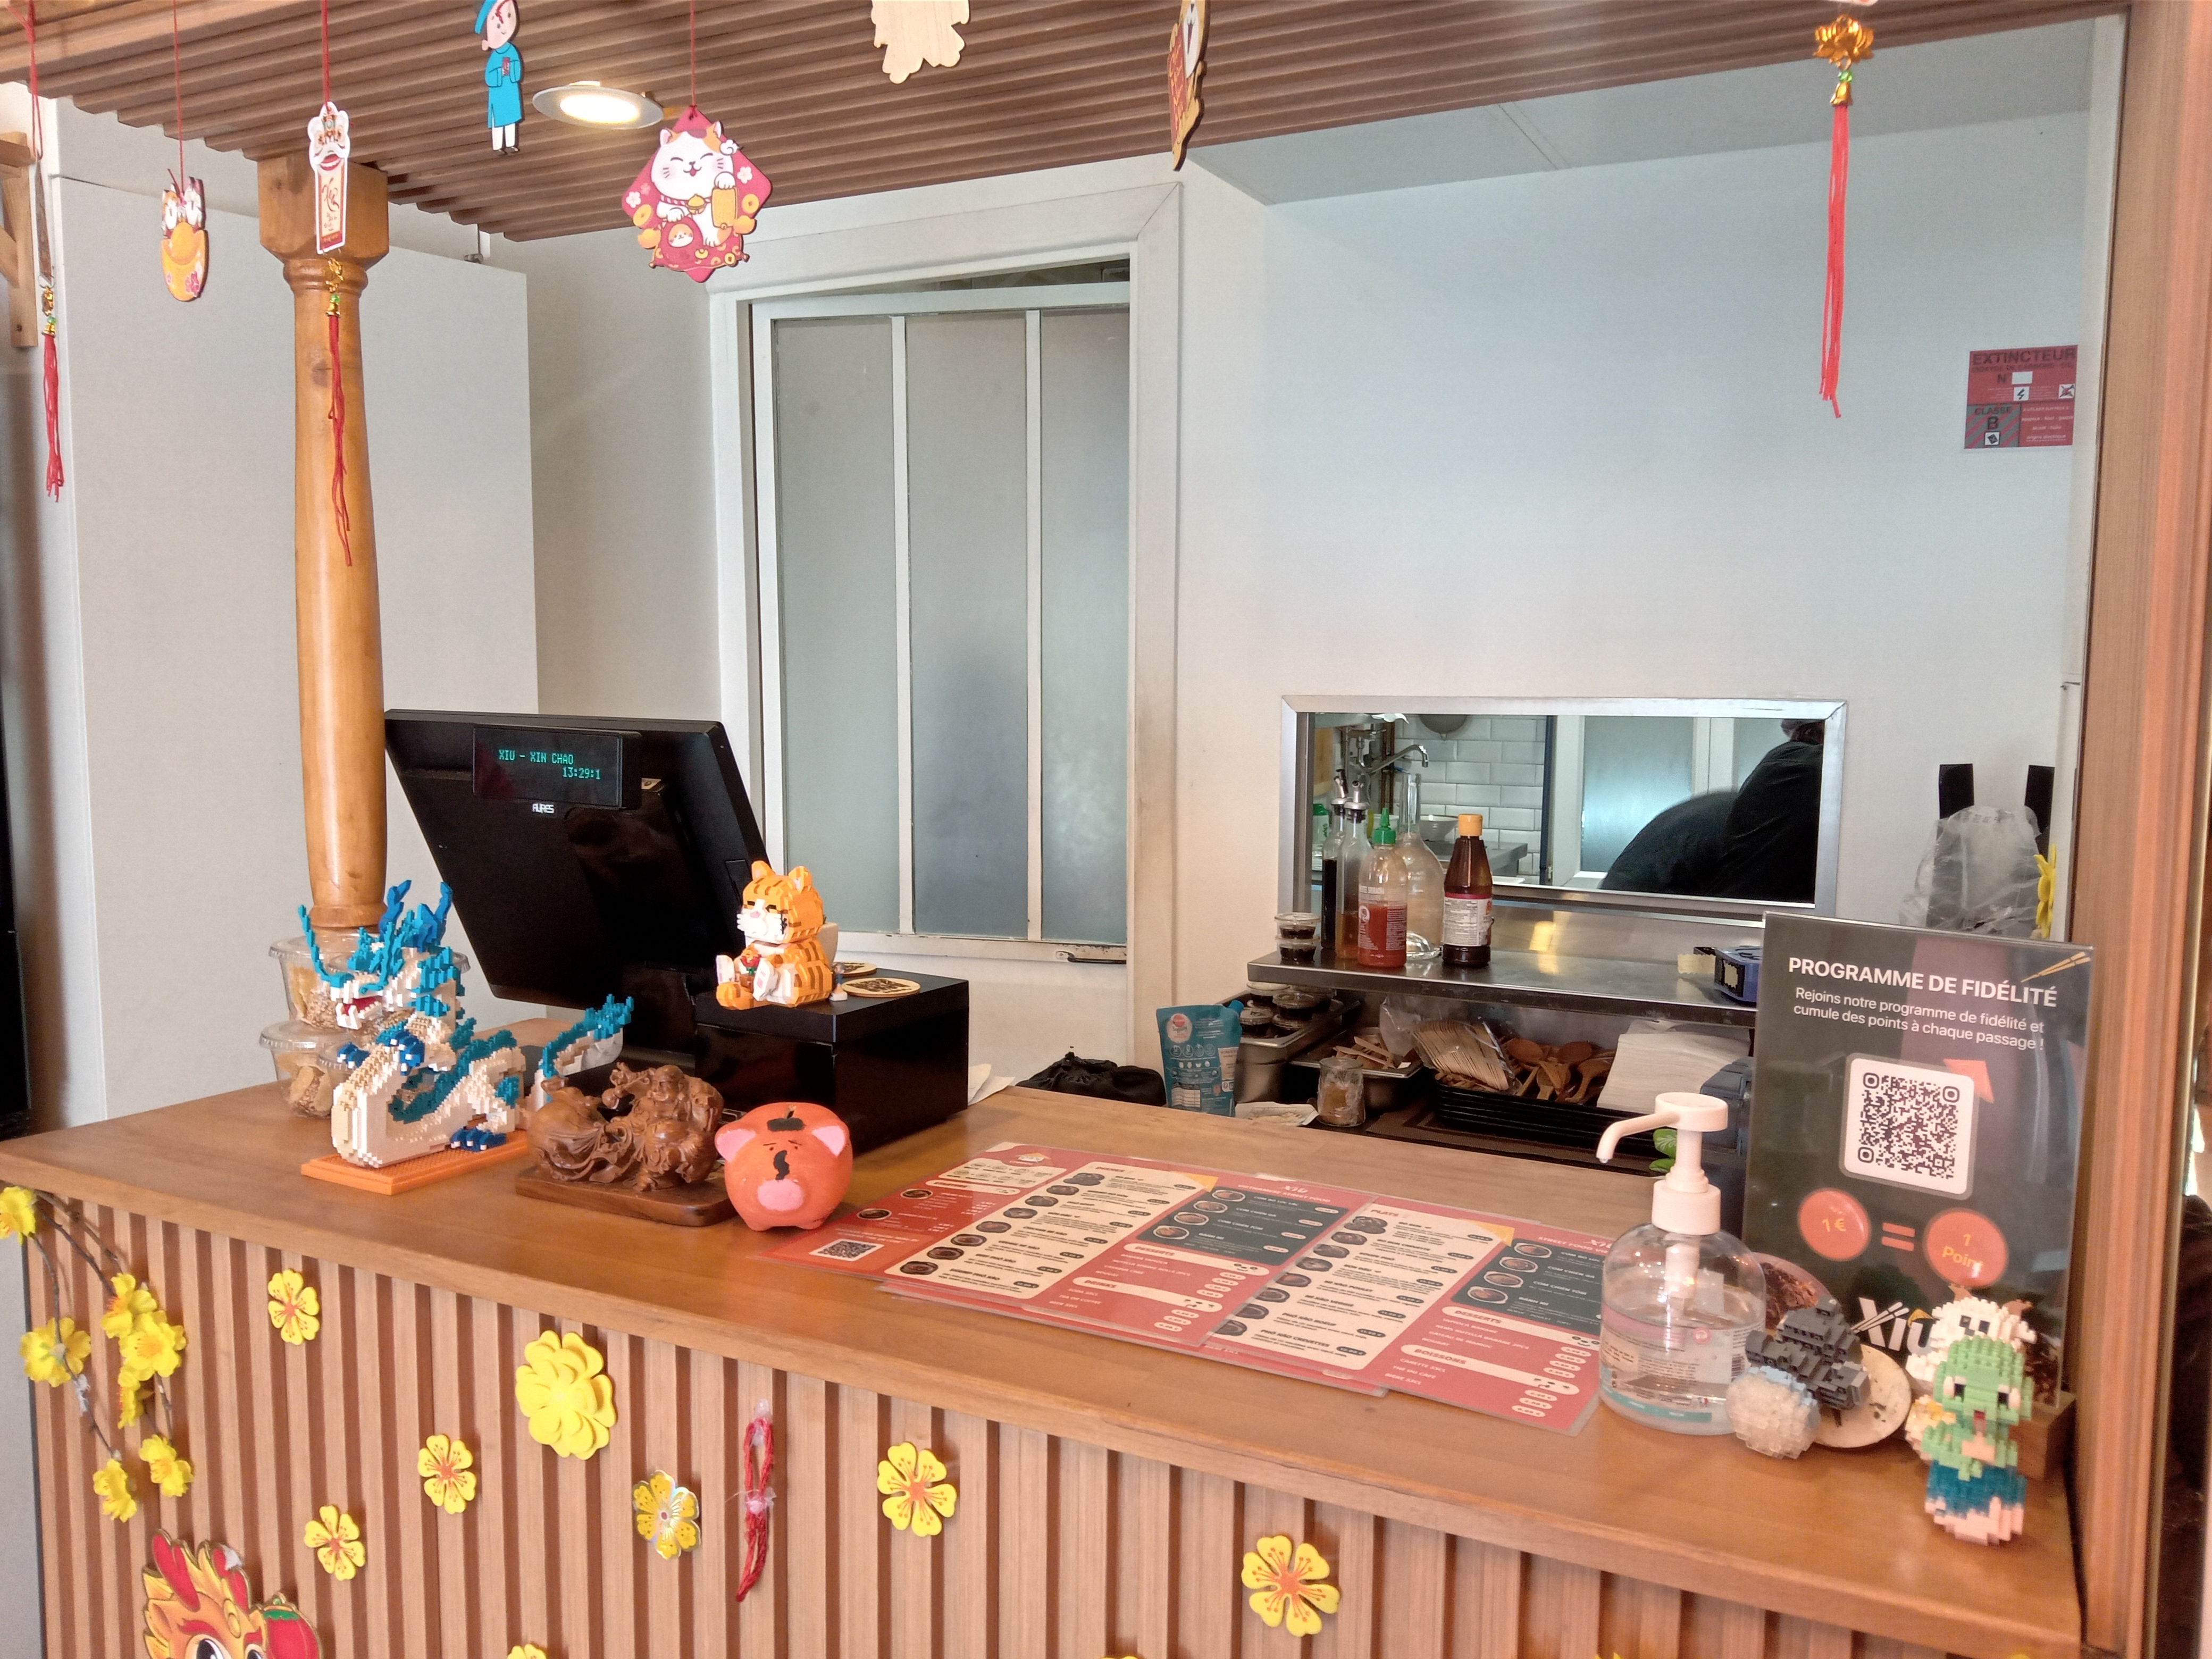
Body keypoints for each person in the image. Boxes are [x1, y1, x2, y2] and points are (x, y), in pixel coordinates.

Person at [1710, 719, 1825, 902]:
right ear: (1811, 732)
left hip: (1739, 900)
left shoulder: (1780, 760)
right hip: (1759, 904)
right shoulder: (1809, 766)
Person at [477, 0, 522, 155]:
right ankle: (498, 146)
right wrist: (499, 73)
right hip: (498, 93)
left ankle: (511, 144)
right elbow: (489, 76)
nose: (503, 30)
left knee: (511, 119)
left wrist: (512, 72)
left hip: (510, 89)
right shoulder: (495, 56)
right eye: (497, 26)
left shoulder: (512, 50)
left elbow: (517, 67)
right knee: (498, 122)